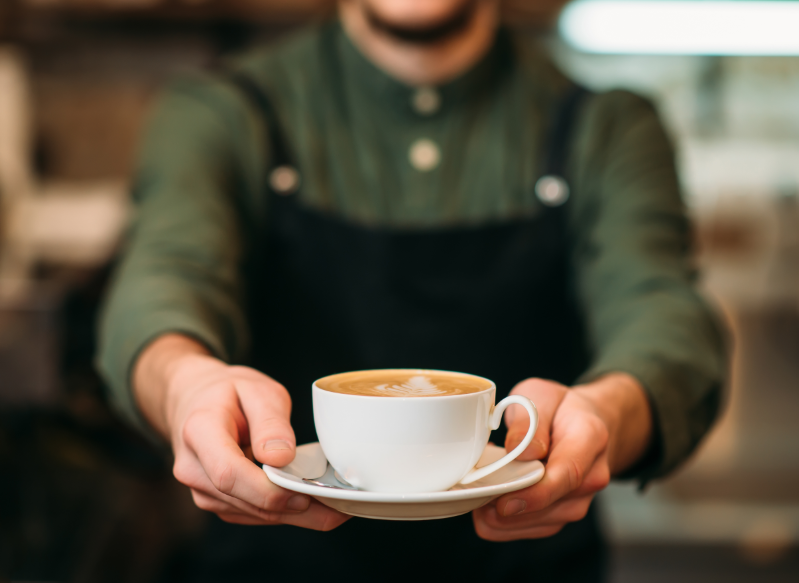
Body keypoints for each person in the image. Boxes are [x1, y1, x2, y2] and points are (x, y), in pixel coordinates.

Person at [98, 0, 726, 581]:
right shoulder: (220, 111)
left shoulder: (608, 125)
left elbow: (662, 311)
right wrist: (185, 385)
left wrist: (610, 412)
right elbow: (164, 276)